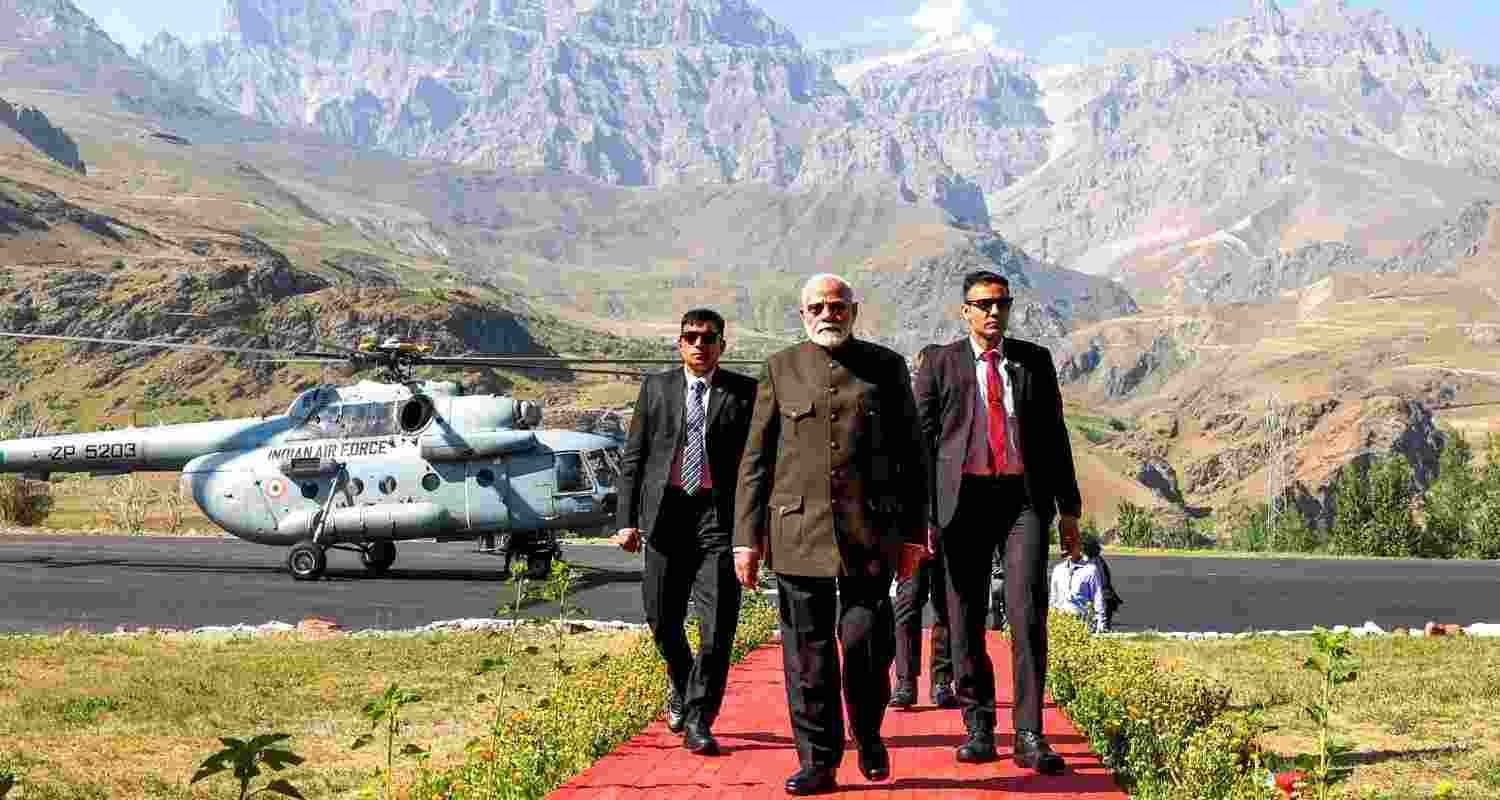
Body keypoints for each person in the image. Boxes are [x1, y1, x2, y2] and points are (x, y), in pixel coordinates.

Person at [734, 273, 928, 796]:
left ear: (854, 311)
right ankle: (817, 760)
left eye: (838, 306)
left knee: (866, 645)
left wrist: (914, 535)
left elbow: (913, 456)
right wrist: (746, 539)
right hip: (797, 531)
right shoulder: (780, 368)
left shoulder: (886, 367)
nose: (828, 314)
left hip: (871, 533)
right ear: (803, 314)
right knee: (807, 655)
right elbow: (756, 458)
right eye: (817, 306)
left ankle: (867, 734)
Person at [914, 269, 1083, 774]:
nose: (993, 312)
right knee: (962, 616)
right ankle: (980, 725)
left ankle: (1031, 732)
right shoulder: (939, 364)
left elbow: (1055, 437)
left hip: (1022, 502)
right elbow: (921, 445)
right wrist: (920, 517)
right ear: (964, 311)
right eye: (983, 304)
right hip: (960, 504)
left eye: (1002, 303)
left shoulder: (1034, 361)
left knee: (1028, 611)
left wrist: (1069, 510)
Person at [614, 308, 759, 756]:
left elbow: (757, 467)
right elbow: (634, 456)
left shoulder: (745, 393)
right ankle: (682, 679)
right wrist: (626, 519)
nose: (700, 345)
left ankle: (700, 719)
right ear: (680, 343)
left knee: (717, 629)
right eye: (691, 337)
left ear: (722, 345)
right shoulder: (656, 388)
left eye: (709, 338)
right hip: (665, 517)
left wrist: (752, 532)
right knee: (661, 619)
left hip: (718, 519)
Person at [891, 344, 957, 710]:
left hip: (951, 528)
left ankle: (943, 681)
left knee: (946, 608)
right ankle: (904, 682)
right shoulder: (905, 422)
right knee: (908, 605)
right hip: (912, 530)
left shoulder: (956, 420)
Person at [1048, 550, 1107, 633]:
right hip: (1061, 623)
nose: (1066, 549)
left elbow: (1097, 597)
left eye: (1070, 545)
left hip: (1082, 624)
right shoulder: (1058, 570)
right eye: (1064, 545)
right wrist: (1051, 621)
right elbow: (1053, 598)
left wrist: (1101, 624)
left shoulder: (1090, 570)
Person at [1083, 535, 1122, 630]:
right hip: (1103, 597)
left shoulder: (1094, 563)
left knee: (1101, 627)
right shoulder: (1098, 561)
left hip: (1102, 598)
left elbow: (1103, 581)